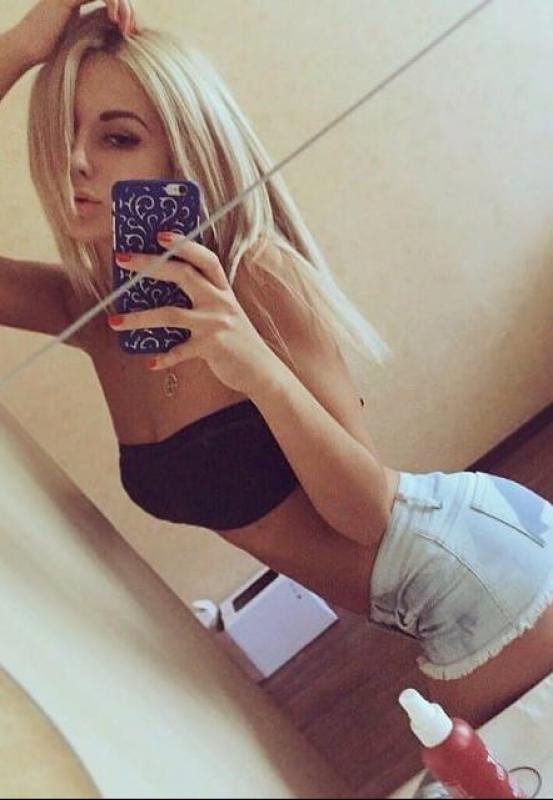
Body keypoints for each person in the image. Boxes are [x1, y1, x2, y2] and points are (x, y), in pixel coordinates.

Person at [1, 0, 551, 728]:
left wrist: (253, 366)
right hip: (414, 600)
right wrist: (19, 44)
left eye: (119, 137)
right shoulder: (92, 313)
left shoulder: (256, 275)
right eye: (62, 131)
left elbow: (366, 515)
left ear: (183, 156)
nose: (76, 160)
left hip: (476, 569)